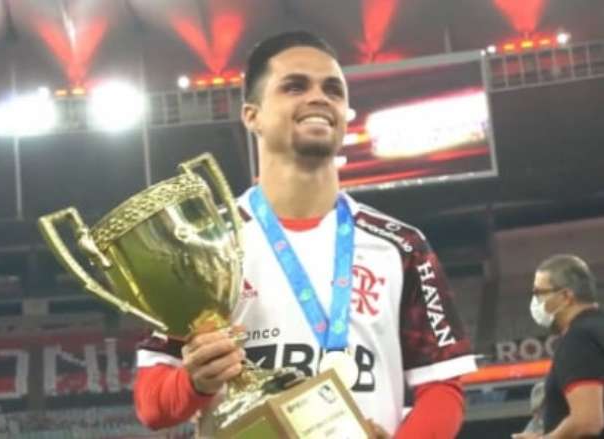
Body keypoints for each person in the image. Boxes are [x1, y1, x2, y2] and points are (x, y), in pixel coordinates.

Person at [133, 31, 477, 437]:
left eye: (333, 89)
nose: (319, 98)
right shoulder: (202, 245)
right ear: (252, 115)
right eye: (295, 86)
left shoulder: (401, 246)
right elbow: (152, 404)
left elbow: (442, 388)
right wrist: (195, 382)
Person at [513, 254, 604, 439]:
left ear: (566, 296)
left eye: (539, 293)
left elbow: (588, 421)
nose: (535, 302)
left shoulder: (578, 338)